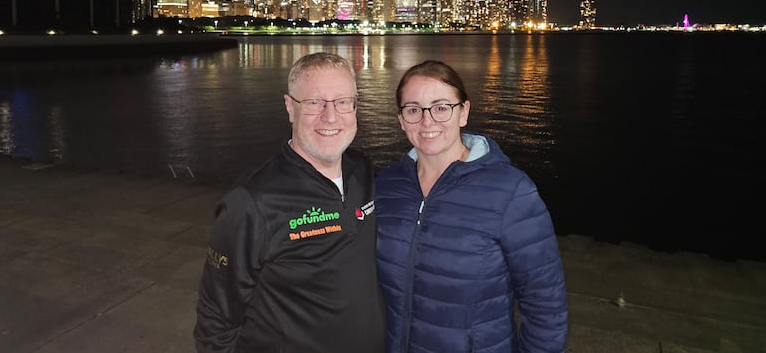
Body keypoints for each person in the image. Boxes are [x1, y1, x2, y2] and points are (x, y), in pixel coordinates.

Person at [194, 52, 385, 352]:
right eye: (314, 103)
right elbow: (216, 319)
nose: (331, 116)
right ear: (289, 108)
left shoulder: (363, 170)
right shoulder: (252, 201)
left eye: (343, 102)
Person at [375, 60, 568, 352]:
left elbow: (545, 304)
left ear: (463, 112)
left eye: (441, 108)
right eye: (413, 110)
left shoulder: (511, 191)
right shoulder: (387, 187)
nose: (427, 122)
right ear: (401, 119)